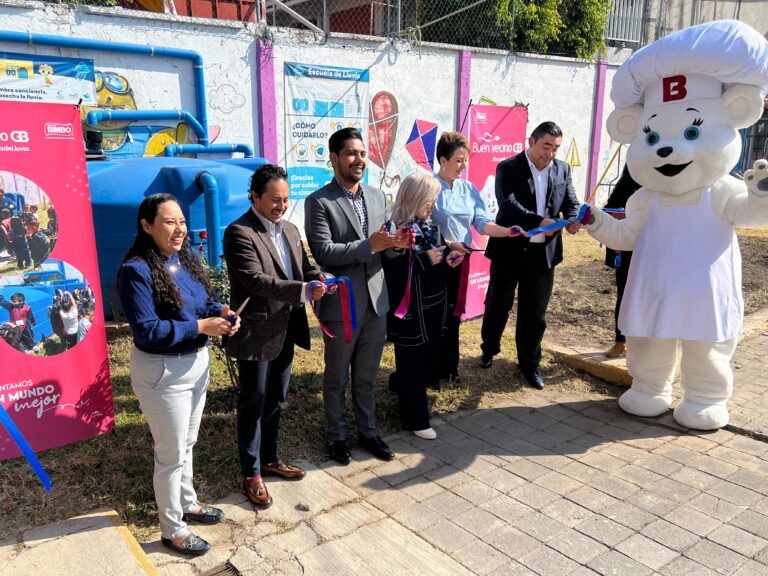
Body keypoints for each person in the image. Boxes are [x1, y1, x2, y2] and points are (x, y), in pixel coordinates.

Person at [117, 193, 240, 556]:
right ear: (146, 226)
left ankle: (187, 502)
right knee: (170, 455)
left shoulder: (184, 259)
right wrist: (201, 325)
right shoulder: (136, 271)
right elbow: (148, 331)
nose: (179, 229)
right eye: (169, 222)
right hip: (163, 372)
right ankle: (172, 529)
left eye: (182, 221)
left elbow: (202, 302)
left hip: (196, 364)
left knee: (187, 443)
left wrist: (221, 311)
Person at [223, 164, 333, 509]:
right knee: (253, 403)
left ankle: (269, 459)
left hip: (287, 328)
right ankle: (251, 473)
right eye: (274, 200)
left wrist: (319, 277)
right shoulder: (239, 232)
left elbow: (303, 268)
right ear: (255, 196)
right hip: (257, 333)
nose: (281, 206)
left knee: (276, 399)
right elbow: (256, 281)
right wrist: (303, 290)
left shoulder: (290, 229)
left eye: (285, 200)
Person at [305, 127, 410, 465]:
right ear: (334, 158)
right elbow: (323, 251)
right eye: (351, 153)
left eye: (362, 153)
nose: (359, 159)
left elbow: (384, 248)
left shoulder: (378, 197)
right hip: (342, 305)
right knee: (336, 377)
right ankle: (337, 436)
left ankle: (368, 432)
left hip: (376, 303)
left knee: (366, 376)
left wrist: (397, 245)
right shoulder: (319, 201)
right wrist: (370, 246)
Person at [479, 121, 581, 389]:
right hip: (509, 249)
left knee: (535, 313)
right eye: (546, 146)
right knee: (498, 304)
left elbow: (571, 201)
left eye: (555, 148)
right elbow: (508, 205)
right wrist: (540, 221)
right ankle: (489, 348)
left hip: (544, 253)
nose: (550, 153)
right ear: (531, 141)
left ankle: (529, 363)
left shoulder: (562, 169)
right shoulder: (509, 167)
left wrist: (572, 219)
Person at [431, 131, 522, 384]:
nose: (463, 166)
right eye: (458, 160)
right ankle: (431, 368)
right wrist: (447, 244)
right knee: (435, 314)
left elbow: (482, 223)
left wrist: (508, 232)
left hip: (460, 262)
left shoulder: (469, 189)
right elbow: (421, 226)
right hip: (434, 261)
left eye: (465, 160)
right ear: (443, 160)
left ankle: (449, 368)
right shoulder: (428, 187)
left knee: (454, 314)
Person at [383, 173, 463, 439]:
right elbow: (393, 272)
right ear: (414, 197)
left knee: (426, 358)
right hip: (410, 309)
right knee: (412, 361)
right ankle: (416, 419)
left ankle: (402, 387)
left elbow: (436, 255)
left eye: (434, 199)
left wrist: (449, 257)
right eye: (430, 199)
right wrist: (425, 261)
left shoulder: (429, 225)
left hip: (433, 304)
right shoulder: (394, 230)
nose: (433, 205)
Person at [603, 165, 641, 359]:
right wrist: (617, 214)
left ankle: (647, 344)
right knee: (625, 293)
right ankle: (621, 340)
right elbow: (610, 207)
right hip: (627, 249)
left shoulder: (664, 185)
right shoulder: (628, 181)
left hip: (656, 249)